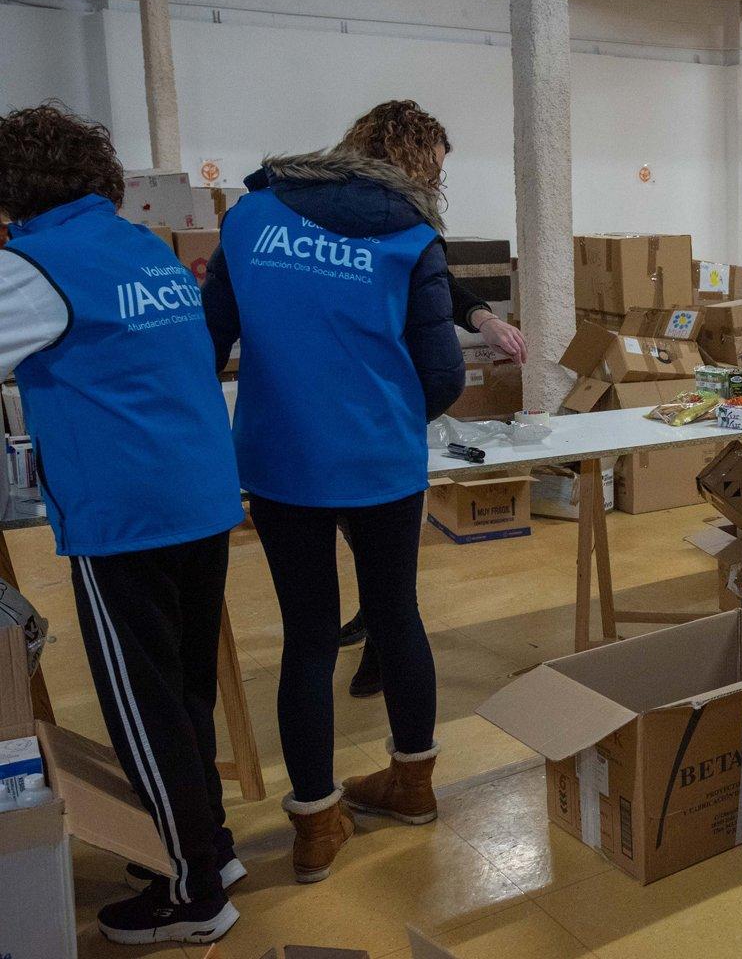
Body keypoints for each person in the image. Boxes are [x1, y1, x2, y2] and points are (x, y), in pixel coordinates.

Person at [0, 105, 244, 943]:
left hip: (127, 512)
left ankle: (192, 892)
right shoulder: (141, 248)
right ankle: (209, 847)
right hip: (198, 493)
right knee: (183, 691)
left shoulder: (35, 265)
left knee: (144, 707)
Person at [203, 100, 464, 883]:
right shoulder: (413, 234)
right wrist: (382, 422)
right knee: (397, 616)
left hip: (281, 460)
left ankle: (316, 826)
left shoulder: (250, 219)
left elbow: (208, 343)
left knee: (309, 636)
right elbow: (444, 376)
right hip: (381, 462)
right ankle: (412, 788)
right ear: (416, 164)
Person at [333, 105, 527, 699]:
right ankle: (382, 631)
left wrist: (483, 316)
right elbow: (441, 370)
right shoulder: (392, 222)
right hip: (374, 400)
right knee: (378, 537)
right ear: (410, 158)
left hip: (333, 407)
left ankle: (376, 626)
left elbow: (438, 281)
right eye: (435, 168)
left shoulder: (342, 218)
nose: (438, 181)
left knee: (372, 537)